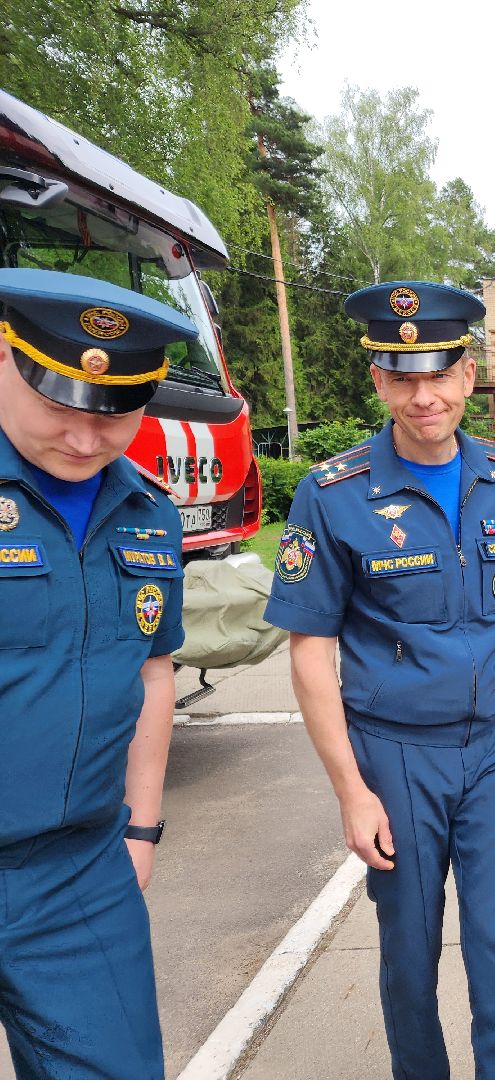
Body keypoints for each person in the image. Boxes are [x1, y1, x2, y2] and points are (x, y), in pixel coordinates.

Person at [264, 281, 495, 1079]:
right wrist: (350, 791)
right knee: (409, 952)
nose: (423, 397)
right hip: (395, 758)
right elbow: (309, 650)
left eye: (439, 376)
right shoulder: (332, 494)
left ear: (468, 375)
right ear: (379, 381)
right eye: (402, 378)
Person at [0, 268, 193, 1077]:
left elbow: (151, 672)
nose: (84, 439)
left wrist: (141, 827)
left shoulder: (149, 513)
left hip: (80, 870)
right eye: (58, 405)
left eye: (112, 414)